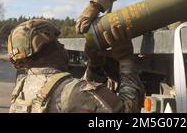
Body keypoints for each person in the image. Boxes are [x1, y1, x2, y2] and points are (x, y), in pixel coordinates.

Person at [8, 19, 144, 113]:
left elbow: (79, 99)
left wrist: (94, 66)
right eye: (56, 41)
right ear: (44, 48)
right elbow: (127, 111)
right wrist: (126, 60)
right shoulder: (72, 91)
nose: (62, 46)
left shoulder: (23, 85)